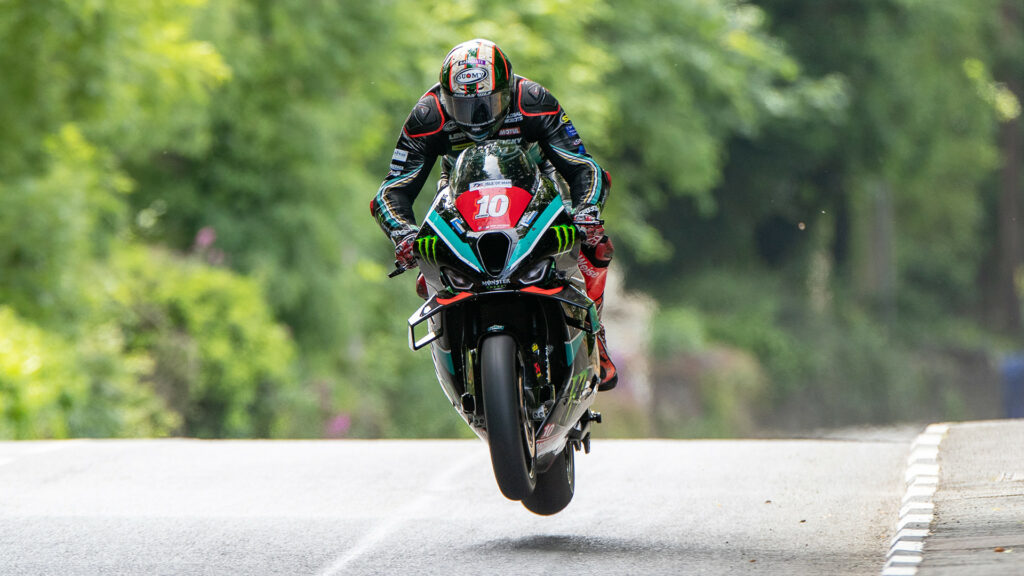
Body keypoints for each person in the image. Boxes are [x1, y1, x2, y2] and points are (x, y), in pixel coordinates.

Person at [370, 38, 618, 391]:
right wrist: (402, 232)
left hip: (537, 187)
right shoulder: (428, 115)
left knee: (594, 246)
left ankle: (595, 333)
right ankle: (455, 345)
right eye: (464, 107)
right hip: (459, 194)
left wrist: (587, 211)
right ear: (445, 99)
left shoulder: (533, 101)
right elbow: (393, 189)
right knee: (431, 262)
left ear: (508, 89)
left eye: (488, 104)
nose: (478, 119)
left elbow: (583, 166)